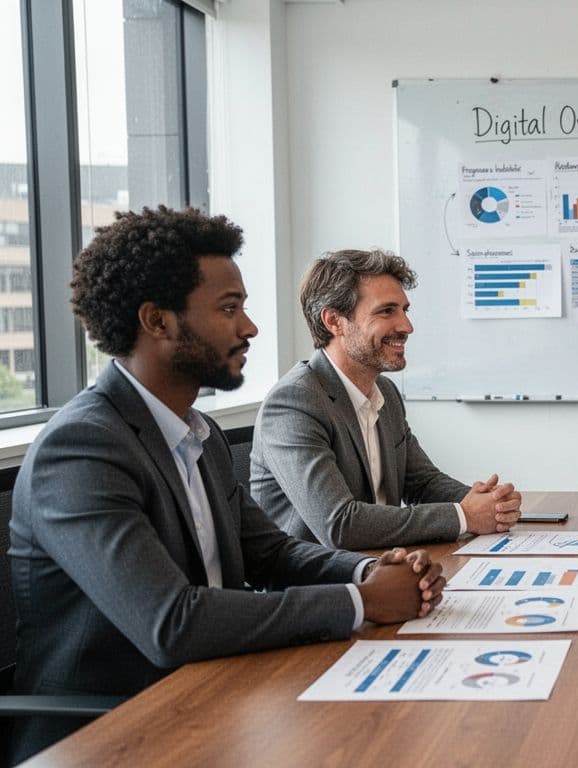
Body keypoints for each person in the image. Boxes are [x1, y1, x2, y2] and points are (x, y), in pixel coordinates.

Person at [7, 208, 445, 763]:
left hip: (221, 690)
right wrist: (360, 601)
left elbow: (270, 552)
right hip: (117, 729)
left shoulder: (199, 432)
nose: (250, 327)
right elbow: (173, 621)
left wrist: (369, 570)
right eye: (229, 309)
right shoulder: (82, 450)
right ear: (157, 321)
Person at [251, 249, 521, 550]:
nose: (406, 326)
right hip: (320, 586)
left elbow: (421, 483)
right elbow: (340, 524)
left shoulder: (386, 393)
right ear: (334, 321)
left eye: (405, 310)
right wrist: (464, 516)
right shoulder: (294, 403)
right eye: (387, 311)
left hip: (384, 566)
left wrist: (490, 504)